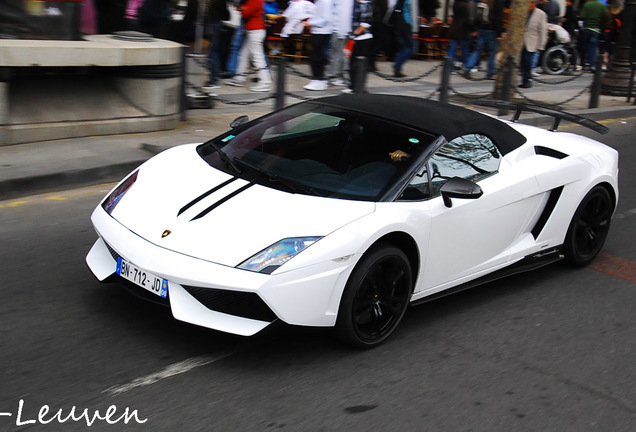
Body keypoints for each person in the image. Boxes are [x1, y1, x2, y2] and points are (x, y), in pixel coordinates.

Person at [225, 0, 273, 92]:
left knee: (257, 57)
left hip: (255, 30)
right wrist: (243, 8)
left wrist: (242, 9)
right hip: (254, 29)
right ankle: (239, 77)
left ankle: (264, 81)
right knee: (244, 54)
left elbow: (246, 13)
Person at [464, 0, 505, 79]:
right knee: (492, 52)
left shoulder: (484, 1)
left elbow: (477, 15)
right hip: (492, 30)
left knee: (478, 50)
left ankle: (468, 67)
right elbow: (499, 17)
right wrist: (499, 32)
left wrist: (476, 28)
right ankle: (491, 73)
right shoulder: (498, 2)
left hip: (482, 29)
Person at [303, 0, 333, 90]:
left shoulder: (325, 1)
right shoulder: (319, 1)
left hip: (322, 32)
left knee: (317, 56)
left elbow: (326, 18)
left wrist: (311, 23)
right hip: (318, 31)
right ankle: (317, 78)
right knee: (316, 56)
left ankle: (318, 79)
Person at [345, 0, 374, 92]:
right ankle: (353, 86)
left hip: (362, 38)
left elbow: (365, 23)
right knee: (352, 64)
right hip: (354, 37)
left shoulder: (365, 5)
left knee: (359, 64)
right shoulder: (355, 4)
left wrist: (355, 33)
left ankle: (358, 87)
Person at [203, 0, 230, 92]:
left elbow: (207, 14)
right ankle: (215, 78)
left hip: (213, 25)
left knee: (212, 54)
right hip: (219, 25)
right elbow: (226, 15)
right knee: (216, 52)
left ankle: (213, 80)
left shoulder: (211, 2)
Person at [519, 0, 547, 88]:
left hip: (532, 41)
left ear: (534, 4)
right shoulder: (523, 11)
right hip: (521, 41)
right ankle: (524, 79)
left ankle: (527, 79)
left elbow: (543, 30)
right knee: (521, 62)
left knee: (527, 61)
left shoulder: (541, 14)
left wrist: (541, 45)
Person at [388, 0, 418, 77]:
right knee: (412, 47)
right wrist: (415, 30)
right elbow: (414, 14)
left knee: (401, 48)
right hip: (407, 25)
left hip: (398, 25)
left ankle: (397, 71)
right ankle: (397, 65)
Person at [328, 0, 355, 87]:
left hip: (340, 29)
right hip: (340, 29)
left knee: (338, 54)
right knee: (337, 54)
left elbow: (344, 14)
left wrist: (341, 32)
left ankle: (335, 76)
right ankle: (335, 76)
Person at [446, 0, 475, 72]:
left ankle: (449, 67)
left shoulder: (456, 3)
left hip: (454, 28)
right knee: (465, 50)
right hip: (463, 30)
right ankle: (467, 67)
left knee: (452, 49)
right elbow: (467, 20)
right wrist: (473, 29)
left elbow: (454, 15)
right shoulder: (466, 5)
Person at [578, 0, 607, 70]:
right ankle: (591, 64)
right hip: (596, 29)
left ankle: (583, 64)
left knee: (584, 46)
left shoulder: (587, 4)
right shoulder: (602, 5)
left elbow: (582, 16)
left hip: (586, 28)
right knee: (593, 47)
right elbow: (605, 17)